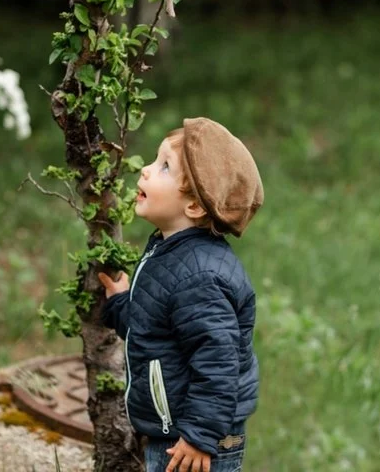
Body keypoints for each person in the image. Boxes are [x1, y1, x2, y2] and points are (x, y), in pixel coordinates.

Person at [99, 117, 263, 472]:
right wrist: (120, 304)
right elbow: (156, 329)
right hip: (181, 428)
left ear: (193, 207)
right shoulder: (170, 251)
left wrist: (200, 435)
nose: (144, 170)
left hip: (197, 439)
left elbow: (219, 363)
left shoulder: (199, 277)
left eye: (163, 167)